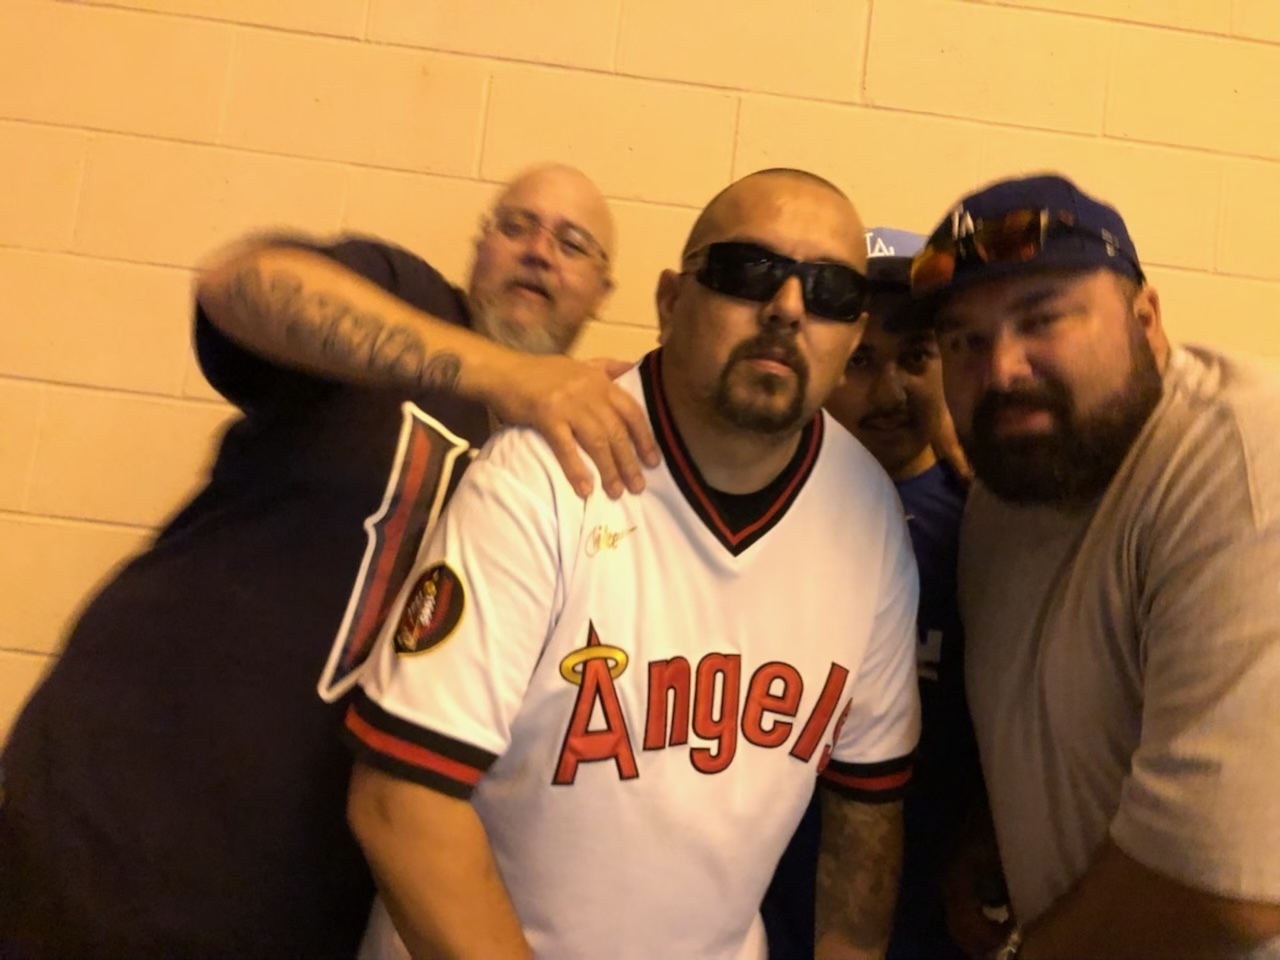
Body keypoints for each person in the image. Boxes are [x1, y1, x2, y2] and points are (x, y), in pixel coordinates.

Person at [0, 163, 661, 959]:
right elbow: (241, 284)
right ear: (479, 246)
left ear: (602, 291)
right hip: (114, 816)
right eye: (515, 225)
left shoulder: (574, 461)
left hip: (302, 902)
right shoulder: (409, 302)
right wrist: (501, 372)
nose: (538, 251)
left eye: (573, 243)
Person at [344, 168, 922, 960]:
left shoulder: (869, 515)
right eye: (748, 270)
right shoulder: (544, 470)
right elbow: (400, 803)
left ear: (852, 336)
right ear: (671, 302)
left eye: (829, 291)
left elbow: (865, 814)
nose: (788, 307)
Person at [901, 173, 1280, 959]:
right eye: (964, 341)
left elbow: (1226, 888)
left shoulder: (1245, 463)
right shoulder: (1008, 489)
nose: (1001, 370)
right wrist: (996, 831)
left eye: (1042, 319)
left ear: (1147, 321)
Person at [763, 228, 982, 960]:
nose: (889, 392)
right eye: (860, 361)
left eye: (915, 358)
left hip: (931, 912)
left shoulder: (988, 523)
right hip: (764, 905)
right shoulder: (757, 501)